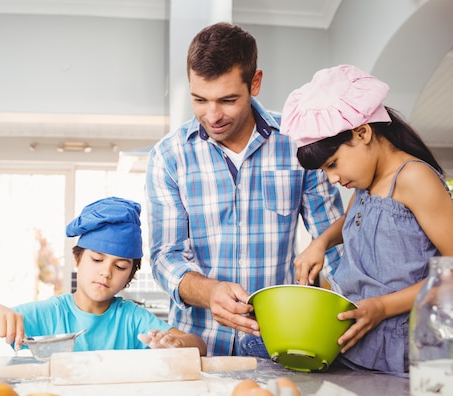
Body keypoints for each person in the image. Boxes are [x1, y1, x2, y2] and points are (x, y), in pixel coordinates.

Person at [145, 22, 344, 357]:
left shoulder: (298, 144)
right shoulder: (169, 156)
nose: (212, 115)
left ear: (255, 82)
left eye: (227, 100)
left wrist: (355, 315)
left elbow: (335, 243)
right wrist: (210, 292)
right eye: (199, 99)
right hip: (197, 347)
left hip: (278, 342)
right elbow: (165, 256)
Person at [280, 64, 453, 375]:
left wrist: (383, 306)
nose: (332, 178)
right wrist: (320, 242)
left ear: (363, 132)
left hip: (401, 352)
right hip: (357, 344)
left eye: (332, 164)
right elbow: (354, 219)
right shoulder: (367, 181)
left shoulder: (414, 178)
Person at [0, 196, 207, 356]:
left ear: (130, 274)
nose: (106, 272)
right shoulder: (50, 313)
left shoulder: (132, 319)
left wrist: (178, 345)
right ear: (77, 258)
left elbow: (199, 345)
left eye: (120, 267)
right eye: (97, 259)